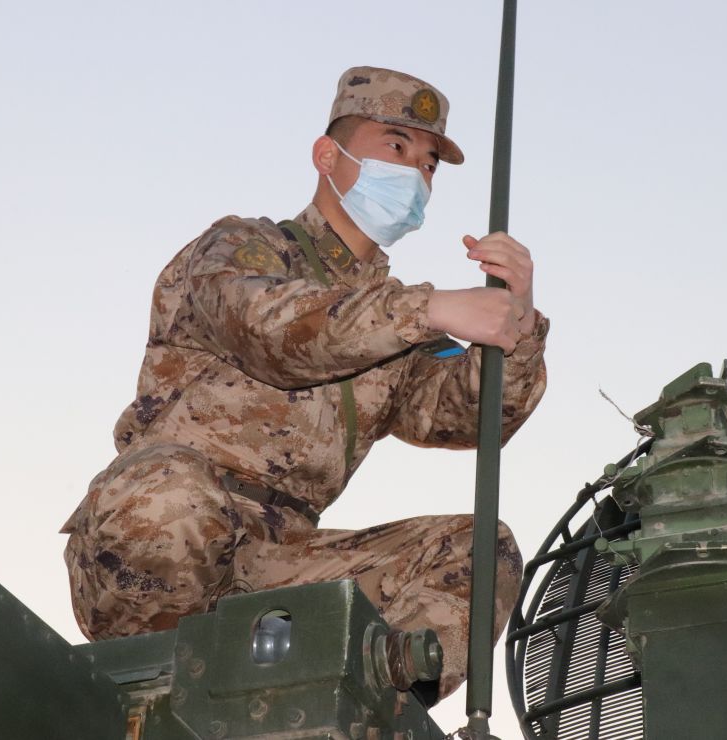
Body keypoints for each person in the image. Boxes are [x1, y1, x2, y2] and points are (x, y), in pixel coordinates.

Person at [61, 66, 549, 700]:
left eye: (429, 164)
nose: (416, 175)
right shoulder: (242, 246)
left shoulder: (397, 316)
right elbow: (273, 332)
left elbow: (458, 419)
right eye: (397, 147)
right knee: (167, 491)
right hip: (158, 537)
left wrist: (516, 324)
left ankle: (369, 705)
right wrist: (427, 309)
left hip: (279, 562)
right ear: (328, 156)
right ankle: (155, 694)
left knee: (479, 548)